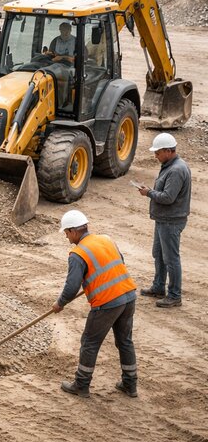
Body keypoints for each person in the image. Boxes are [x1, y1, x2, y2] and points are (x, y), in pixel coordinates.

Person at [53, 210, 138, 398]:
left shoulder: (77, 254)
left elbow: (72, 286)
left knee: (89, 343)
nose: (66, 237)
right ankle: (130, 384)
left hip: (107, 302)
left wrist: (60, 303)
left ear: (74, 231)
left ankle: (81, 385)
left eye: (66, 233)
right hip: (128, 295)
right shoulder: (106, 239)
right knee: (125, 341)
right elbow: (120, 261)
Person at [135, 132, 191, 308]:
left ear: (168, 151)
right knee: (158, 254)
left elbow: (168, 197)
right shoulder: (170, 165)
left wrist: (149, 193)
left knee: (171, 259)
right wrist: (151, 191)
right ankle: (159, 287)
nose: (155, 156)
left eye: (158, 153)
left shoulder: (176, 170)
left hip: (171, 221)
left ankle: (174, 295)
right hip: (164, 219)